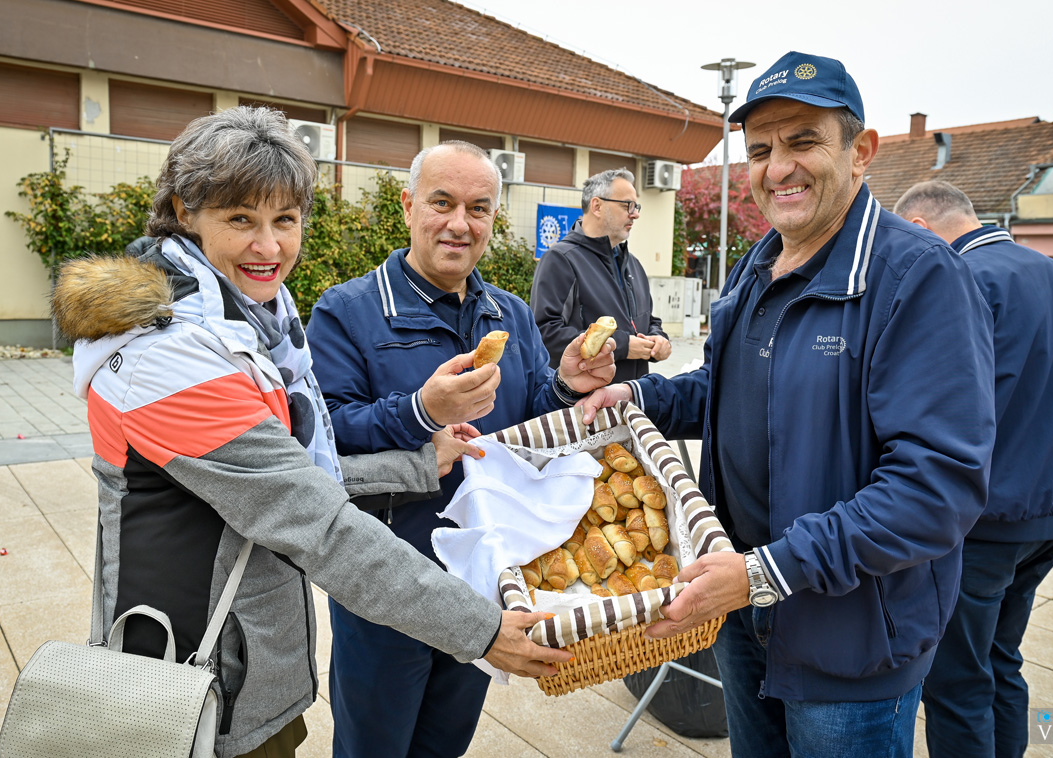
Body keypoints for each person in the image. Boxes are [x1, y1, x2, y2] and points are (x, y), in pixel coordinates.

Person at [50, 108, 570, 758]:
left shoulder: (255, 322)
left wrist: (413, 466)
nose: (268, 247)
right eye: (240, 219)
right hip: (188, 679)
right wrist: (482, 629)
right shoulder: (169, 357)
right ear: (186, 213)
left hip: (249, 669)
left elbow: (294, 473)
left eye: (284, 220)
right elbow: (314, 520)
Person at [578, 51, 997, 757]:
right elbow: (723, 389)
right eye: (762, 149)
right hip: (742, 613)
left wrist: (766, 571)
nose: (779, 168)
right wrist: (640, 394)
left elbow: (937, 488)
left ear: (861, 151)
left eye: (804, 141)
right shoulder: (758, 263)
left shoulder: (917, 278)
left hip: (849, 641)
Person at [303, 140, 616, 758]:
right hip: (388, 581)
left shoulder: (511, 314)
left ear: (493, 219)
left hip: (482, 583)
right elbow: (322, 435)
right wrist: (421, 412)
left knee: (445, 743)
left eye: (478, 208)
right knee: (374, 748)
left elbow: (528, 431)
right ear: (408, 205)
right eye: (441, 203)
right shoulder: (347, 312)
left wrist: (565, 386)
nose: (459, 224)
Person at [894, 180, 1053, 757]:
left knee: (956, 681)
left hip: (984, 521)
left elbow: (931, 406)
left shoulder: (958, 279)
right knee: (1000, 661)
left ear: (919, 228)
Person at [531, 168, 671, 380]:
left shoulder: (633, 265)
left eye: (637, 206)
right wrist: (621, 346)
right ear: (597, 206)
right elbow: (546, 334)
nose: (636, 214)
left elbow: (648, 320)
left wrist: (658, 339)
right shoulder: (561, 259)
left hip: (631, 400)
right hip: (584, 405)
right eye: (627, 205)